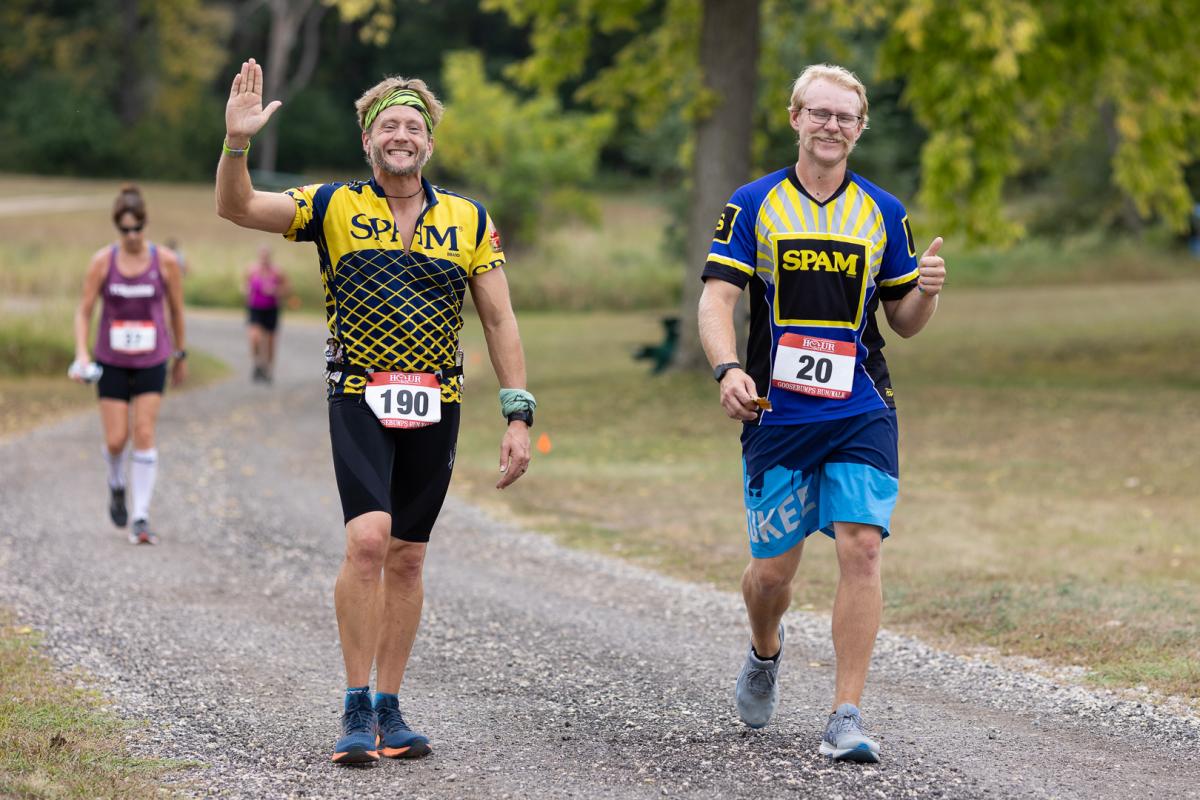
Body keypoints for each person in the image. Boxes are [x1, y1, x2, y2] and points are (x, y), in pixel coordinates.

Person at [215, 59, 534, 766]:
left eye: (413, 126)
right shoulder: (332, 206)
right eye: (387, 125)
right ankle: (355, 703)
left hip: (437, 402)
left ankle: (390, 708)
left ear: (429, 143)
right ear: (367, 142)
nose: (401, 135)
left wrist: (517, 413)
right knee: (368, 540)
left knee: (409, 556)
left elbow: (501, 320)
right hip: (358, 394)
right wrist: (237, 143)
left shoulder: (469, 220)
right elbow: (237, 208)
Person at [697, 64, 946, 763]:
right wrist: (728, 369)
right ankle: (765, 649)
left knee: (861, 547)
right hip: (778, 414)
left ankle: (845, 714)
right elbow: (717, 300)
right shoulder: (753, 204)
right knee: (772, 574)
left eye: (846, 117)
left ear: (860, 129)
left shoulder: (883, 213)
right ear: (795, 118)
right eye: (820, 113)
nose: (832, 126)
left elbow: (904, 321)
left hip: (861, 405)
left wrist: (926, 292)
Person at [71, 184, 188, 545]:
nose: (132, 236)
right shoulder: (102, 262)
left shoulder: (164, 261)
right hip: (112, 360)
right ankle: (116, 482)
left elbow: (177, 311)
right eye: (125, 229)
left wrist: (180, 355)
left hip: (153, 359)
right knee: (117, 439)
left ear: (146, 224)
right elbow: (85, 310)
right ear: (116, 228)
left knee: (145, 433)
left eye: (138, 228)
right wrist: (82, 352)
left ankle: (141, 517)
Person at [244, 245, 289, 382]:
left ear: (270, 257)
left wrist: (275, 290)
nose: (264, 259)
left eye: (266, 256)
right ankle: (257, 364)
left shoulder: (277, 271)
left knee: (270, 341)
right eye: (261, 256)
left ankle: (268, 369)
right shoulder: (252, 269)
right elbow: (245, 284)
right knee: (254, 337)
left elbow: (287, 287)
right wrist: (246, 291)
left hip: (271, 308)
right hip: (255, 308)